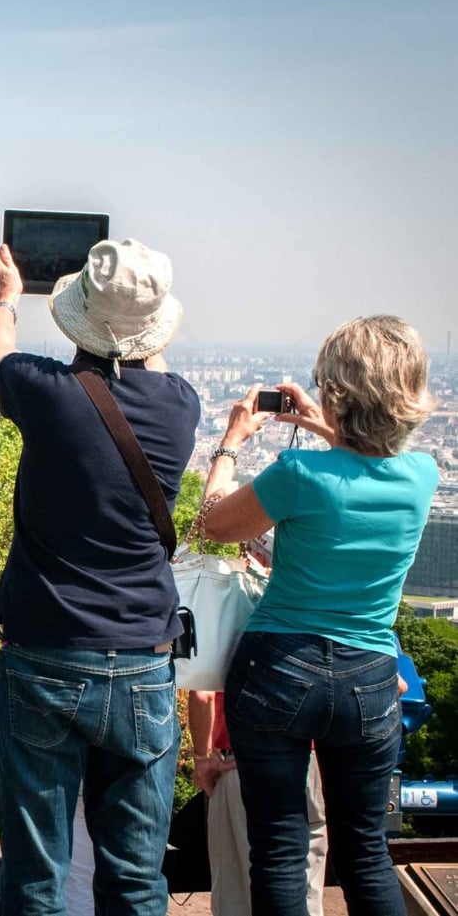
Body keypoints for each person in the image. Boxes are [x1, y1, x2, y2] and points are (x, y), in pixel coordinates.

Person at [0, 239, 201, 915]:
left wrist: (6, 297)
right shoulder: (181, 408)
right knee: (136, 879)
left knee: (34, 879)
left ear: (79, 324)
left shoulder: (49, 396)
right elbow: (144, 367)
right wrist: (133, 313)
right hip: (143, 659)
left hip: (47, 652)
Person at [203, 315, 437, 915]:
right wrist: (321, 421)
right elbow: (364, 464)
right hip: (370, 678)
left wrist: (230, 444)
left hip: (279, 666)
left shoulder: (299, 476)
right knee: (365, 854)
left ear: (336, 393)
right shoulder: (421, 475)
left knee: (279, 851)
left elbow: (214, 523)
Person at [187, 691, 327, 914]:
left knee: (238, 898)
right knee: (307, 892)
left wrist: (202, 758)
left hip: (241, 759)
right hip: (310, 759)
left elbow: (204, 695)